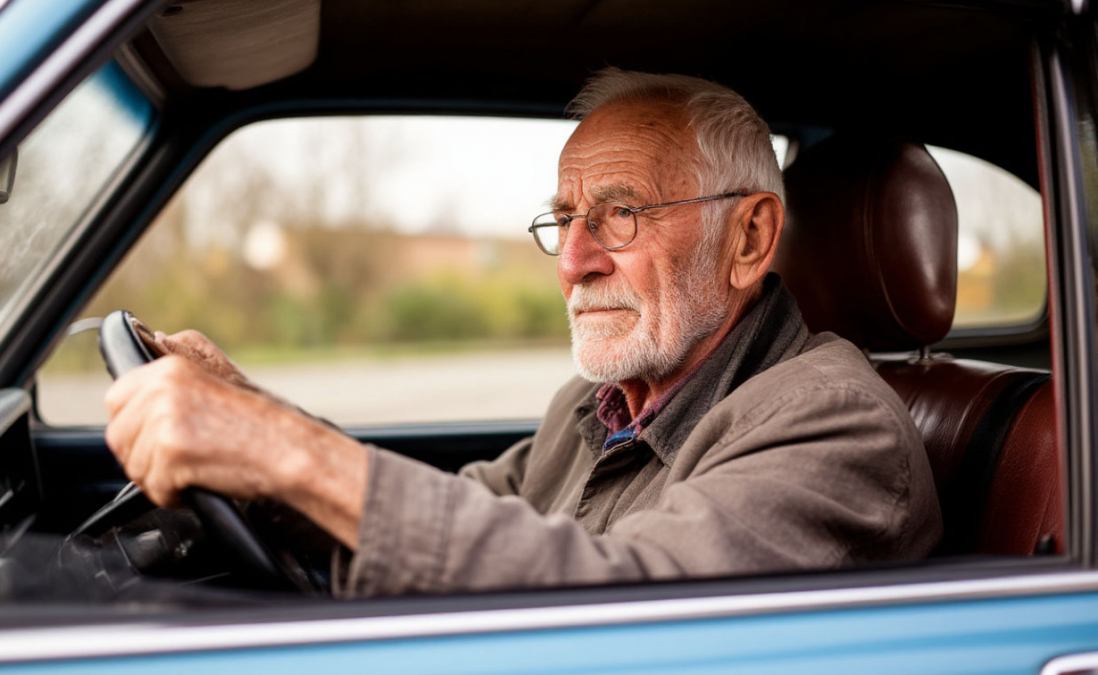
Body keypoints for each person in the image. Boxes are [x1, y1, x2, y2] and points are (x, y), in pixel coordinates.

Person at [104, 68, 942, 597]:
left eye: (619, 214)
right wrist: (251, 413)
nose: (571, 260)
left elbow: (639, 612)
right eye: (564, 218)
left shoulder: (837, 423)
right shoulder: (600, 404)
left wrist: (284, 452)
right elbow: (471, 514)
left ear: (750, 239)